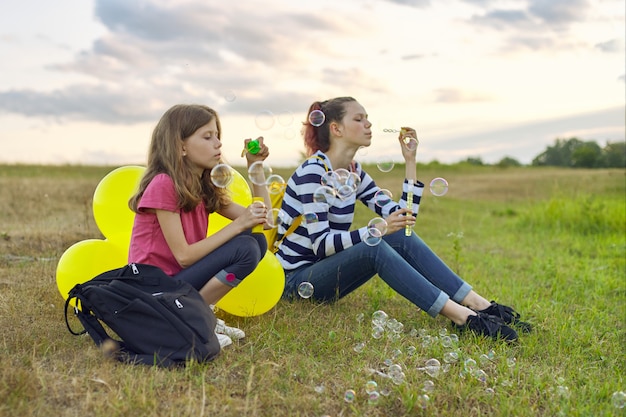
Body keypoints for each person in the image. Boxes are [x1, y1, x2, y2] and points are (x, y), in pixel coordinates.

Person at [275, 97, 531, 342]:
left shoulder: (354, 172)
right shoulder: (313, 172)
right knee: (374, 245)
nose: (368, 124)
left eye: (368, 118)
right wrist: (377, 230)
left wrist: (410, 161)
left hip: (326, 272)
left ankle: (480, 304)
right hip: (295, 280)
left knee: (397, 235)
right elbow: (322, 244)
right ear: (336, 128)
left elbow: (404, 220)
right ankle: (464, 318)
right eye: (359, 118)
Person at [128, 104, 272, 348]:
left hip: (179, 283)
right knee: (245, 246)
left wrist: (255, 167)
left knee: (256, 240)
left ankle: (197, 313)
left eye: (217, 136)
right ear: (181, 146)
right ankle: (192, 318)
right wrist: (238, 225)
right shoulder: (164, 184)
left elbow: (264, 221)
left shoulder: (202, 186)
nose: (218, 144)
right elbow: (183, 256)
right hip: (154, 289)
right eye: (207, 137)